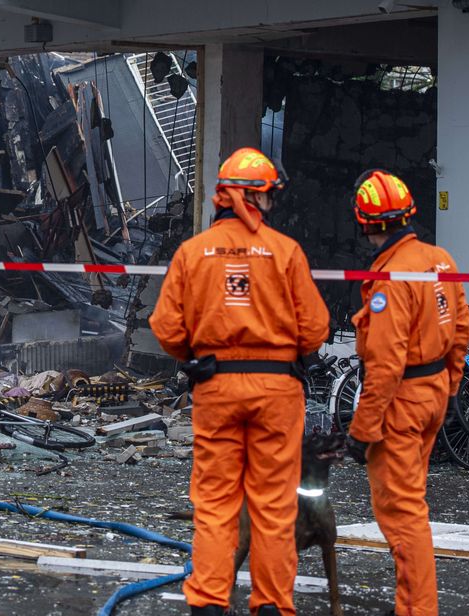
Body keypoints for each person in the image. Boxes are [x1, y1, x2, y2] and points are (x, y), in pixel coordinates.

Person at [151, 146, 330, 616]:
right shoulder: (285, 252)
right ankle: (271, 604)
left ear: (224, 198)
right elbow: (315, 329)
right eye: (270, 196)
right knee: (273, 504)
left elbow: (167, 329)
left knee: (214, 502)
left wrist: (196, 352)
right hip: (278, 392)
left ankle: (209, 602)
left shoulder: (193, 253)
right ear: (259, 197)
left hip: (216, 388)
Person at [345, 169, 469, 616]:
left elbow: (384, 364)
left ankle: (418, 609)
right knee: (413, 502)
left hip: (401, 403)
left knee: (402, 515)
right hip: (432, 394)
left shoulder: (391, 278)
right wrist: (450, 390)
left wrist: (361, 431)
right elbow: (461, 328)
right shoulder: (440, 260)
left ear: (365, 223)